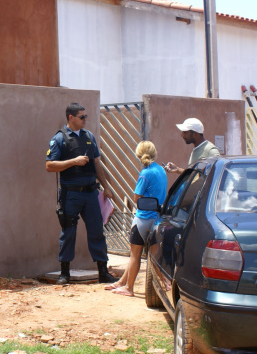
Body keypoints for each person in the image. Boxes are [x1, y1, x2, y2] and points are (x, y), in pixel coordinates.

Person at [46, 102, 118, 285]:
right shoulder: (59, 139)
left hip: (90, 193)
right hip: (71, 194)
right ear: (71, 118)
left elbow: (97, 164)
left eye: (86, 116)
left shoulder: (89, 137)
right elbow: (49, 165)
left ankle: (103, 271)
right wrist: (73, 161)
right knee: (68, 232)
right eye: (82, 117)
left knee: (97, 231)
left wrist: (106, 188)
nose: (86, 120)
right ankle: (65, 273)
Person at [105, 141, 167, 296]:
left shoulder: (145, 173)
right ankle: (122, 282)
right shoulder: (161, 171)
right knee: (153, 257)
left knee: (135, 255)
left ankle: (129, 288)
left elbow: (137, 197)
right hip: (157, 219)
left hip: (143, 218)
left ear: (139, 155)